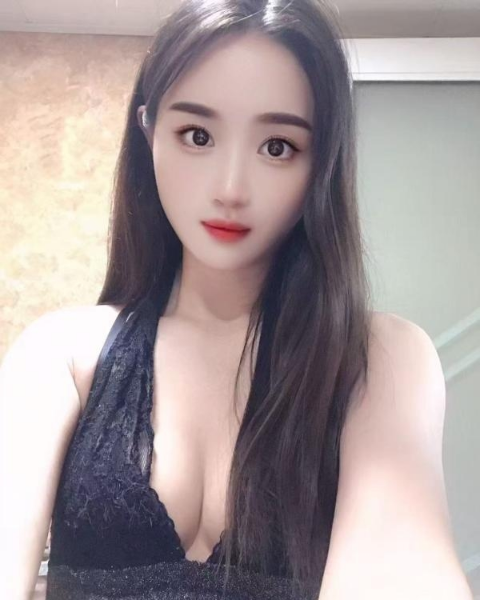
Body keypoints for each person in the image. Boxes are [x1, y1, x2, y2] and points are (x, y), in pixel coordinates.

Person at [0, 0, 473, 599]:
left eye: (277, 146)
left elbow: (404, 574)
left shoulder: (376, 358)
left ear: (321, 163)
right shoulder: (61, 355)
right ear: (149, 131)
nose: (230, 188)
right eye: (197, 135)